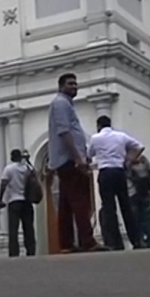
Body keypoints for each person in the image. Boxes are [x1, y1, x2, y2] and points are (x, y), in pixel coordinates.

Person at [47, 73, 105, 253]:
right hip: (69, 160)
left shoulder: (65, 104)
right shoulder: (61, 104)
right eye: (70, 84)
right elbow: (64, 132)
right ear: (60, 86)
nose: (74, 86)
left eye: (75, 84)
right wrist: (79, 158)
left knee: (65, 203)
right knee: (80, 200)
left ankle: (66, 243)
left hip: (66, 159)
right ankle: (87, 241)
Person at [88, 116, 143, 250]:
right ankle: (136, 240)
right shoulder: (121, 136)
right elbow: (140, 147)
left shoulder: (95, 138)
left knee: (109, 208)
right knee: (126, 206)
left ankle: (114, 242)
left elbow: (88, 155)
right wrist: (128, 160)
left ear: (99, 126)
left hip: (105, 173)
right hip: (119, 171)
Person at [0, 149, 37, 257]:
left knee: (13, 228)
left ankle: (14, 252)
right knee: (29, 227)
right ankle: (31, 250)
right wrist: (28, 160)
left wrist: (0, 200)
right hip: (27, 201)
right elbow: (35, 174)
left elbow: (3, 184)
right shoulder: (27, 168)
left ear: (11, 157)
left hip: (14, 201)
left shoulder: (9, 169)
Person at [128, 154, 150, 248]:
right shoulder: (143, 159)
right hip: (145, 193)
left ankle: (138, 241)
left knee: (135, 219)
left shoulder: (125, 161)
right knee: (148, 218)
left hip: (132, 193)